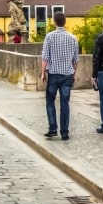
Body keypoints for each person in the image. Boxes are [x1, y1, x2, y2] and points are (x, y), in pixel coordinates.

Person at [41, 12, 79, 140]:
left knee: (50, 101)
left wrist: (42, 73)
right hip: (67, 75)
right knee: (65, 103)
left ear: (54, 22)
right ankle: (64, 132)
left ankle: (53, 129)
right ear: (65, 22)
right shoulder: (72, 37)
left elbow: (45, 57)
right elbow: (75, 60)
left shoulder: (49, 37)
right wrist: (73, 74)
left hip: (53, 74)